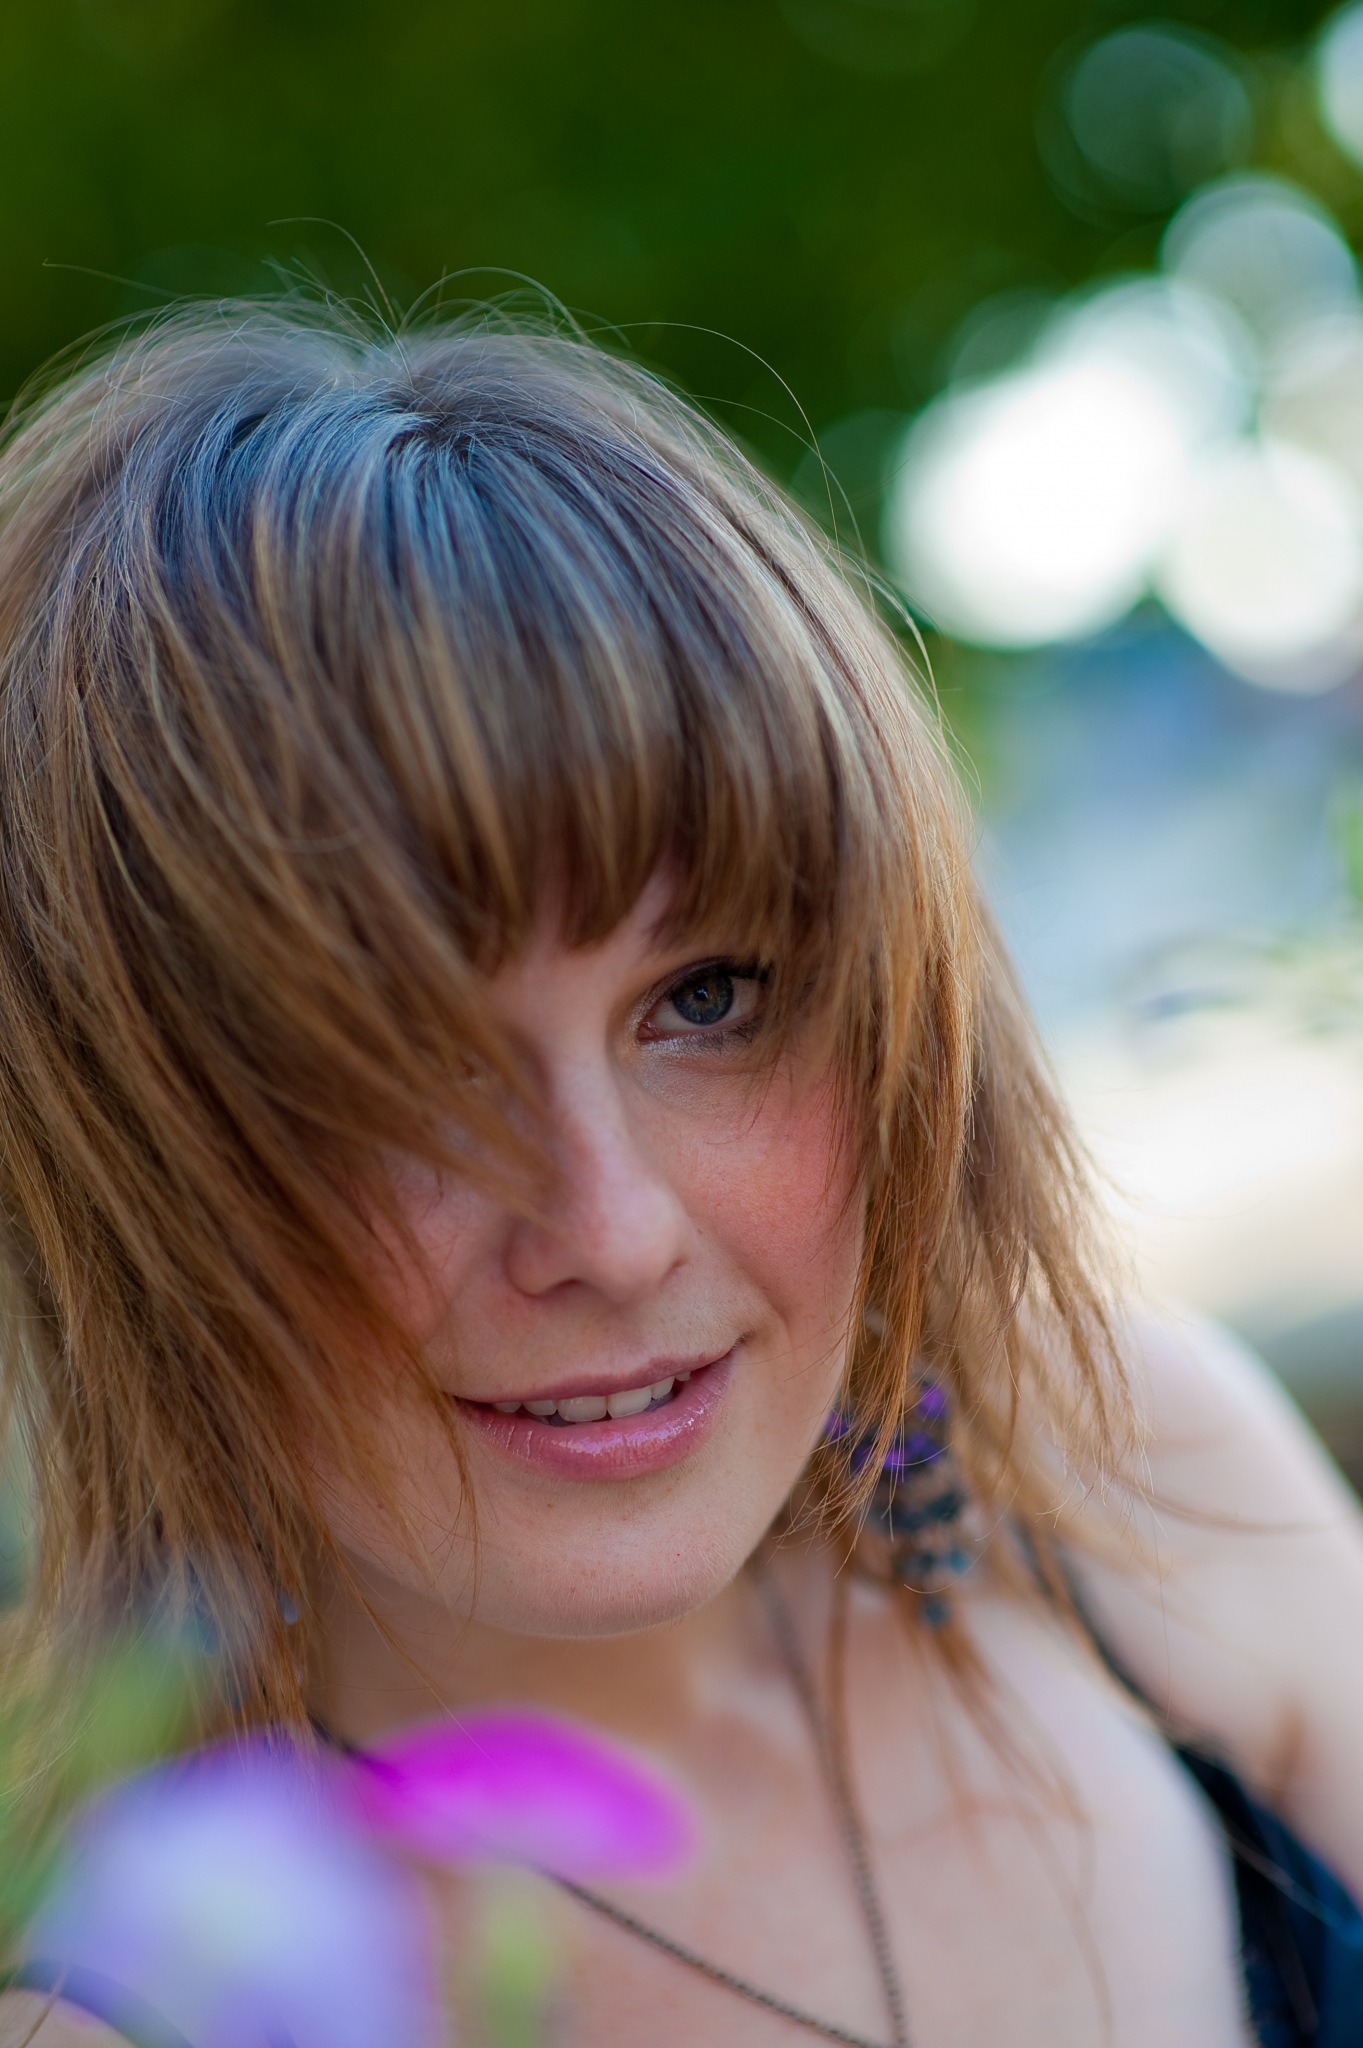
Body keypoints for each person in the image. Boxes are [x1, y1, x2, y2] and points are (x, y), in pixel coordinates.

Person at [0, 304, 1360, 2048]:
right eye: (398, 1075)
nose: (614, 1231)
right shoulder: (144, 2012)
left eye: (707, 1000)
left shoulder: (1129, 1477)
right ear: (130, 1169)